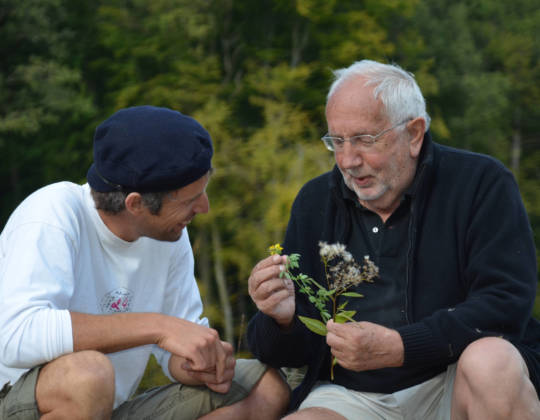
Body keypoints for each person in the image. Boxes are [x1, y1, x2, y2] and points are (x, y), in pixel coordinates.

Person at [247, 60, 540, 419]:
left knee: (491, 362)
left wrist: (402, 347)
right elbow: (288, 354)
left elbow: (505, 303)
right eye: (336, 141)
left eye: (364, 140)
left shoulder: (481, 183)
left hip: (453, 379)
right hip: (353, 394)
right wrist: (281, 320)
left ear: (414, 134)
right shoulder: (315, 203)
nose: (347, 160)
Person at [0, 105, 289, 419]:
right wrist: (158, 327)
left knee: (266, 385)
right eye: (191, 199)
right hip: (19, 400)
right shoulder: (53, 213)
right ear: (135, 204)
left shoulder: (170, 235)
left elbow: (173, 350)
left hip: (113, 409)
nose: (204, 207)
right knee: (88, 375)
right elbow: (16, 335)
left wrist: (201, 363)